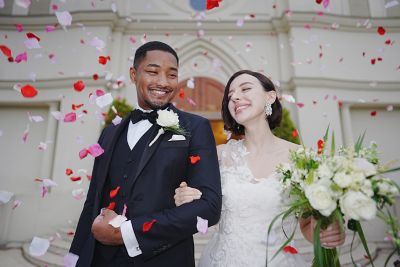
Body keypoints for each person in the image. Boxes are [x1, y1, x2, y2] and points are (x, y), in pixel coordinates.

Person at [68, 41, 222, 267]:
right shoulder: (108, 134)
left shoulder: (195, 128)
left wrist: (126, 233)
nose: (162, 82)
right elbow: (92, 203)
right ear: (133, 74)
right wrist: (75, 259)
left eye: (171, 75)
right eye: (152, 72)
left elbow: (209, 207)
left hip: (163, 259)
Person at [174, 70, 346, 266]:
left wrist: (326, 233)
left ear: (270, 96)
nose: (235, 97)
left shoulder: (301, 157)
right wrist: (186, 196)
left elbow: (307, 224)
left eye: (245, 88)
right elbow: (197, 205)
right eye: (230, 96)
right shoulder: (218, 155)